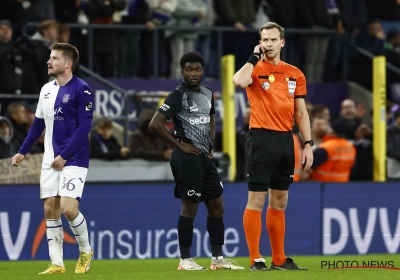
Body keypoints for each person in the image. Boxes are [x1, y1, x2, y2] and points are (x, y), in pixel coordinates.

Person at [149, 51, 244, 271]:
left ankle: (218, 260)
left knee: (217, 206)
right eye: (189, 69)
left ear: (202, 71)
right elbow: (155, 124)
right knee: (190, 206)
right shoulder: (177, 95)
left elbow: (210, 116)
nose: (193, 73)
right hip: (186, 156)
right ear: (182, 71)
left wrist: (210, 142)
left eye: (197, 69)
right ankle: (185, 260)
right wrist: (179, 145)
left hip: (204, 156)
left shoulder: (208, 93)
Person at [232, 22, 313, 270]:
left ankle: (279, 259)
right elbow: (238, 81)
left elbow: (301, 113)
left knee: (280, 201)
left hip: (285, 140)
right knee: (256, 200)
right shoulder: (255, 68)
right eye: (264, 40)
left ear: (282, 42)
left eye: (272, 40)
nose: (268, 44)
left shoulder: (295, 73)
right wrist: (253, 57)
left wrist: (308, 144)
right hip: (261, 139)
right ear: (260, 42)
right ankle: (256, 258)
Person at [11, 43, 94, 274]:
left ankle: (86, 250)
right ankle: (57, 263)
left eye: (55, 58)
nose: (49, 61)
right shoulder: (46, 89)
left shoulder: (82, 89)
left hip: (74, 157)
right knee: (50, 210)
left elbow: (85, 126)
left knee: (68, 208)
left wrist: (64, 155)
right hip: (50, 159)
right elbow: (38, 124)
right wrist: (22, 151)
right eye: (50, 57)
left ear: (68, 64)